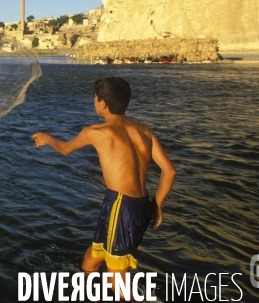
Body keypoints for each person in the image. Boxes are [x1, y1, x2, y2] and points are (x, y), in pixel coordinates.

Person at [32, 77, 176, 293]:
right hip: (135, 204)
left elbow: (65, 149)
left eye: (95, 98)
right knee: (91, 261)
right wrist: (156, 205)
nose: (94, 101)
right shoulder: (144, 130)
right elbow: (169, 171)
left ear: (102, 103)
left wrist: (47, 139)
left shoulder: (97, 132)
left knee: (116, 282)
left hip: (121, 206)